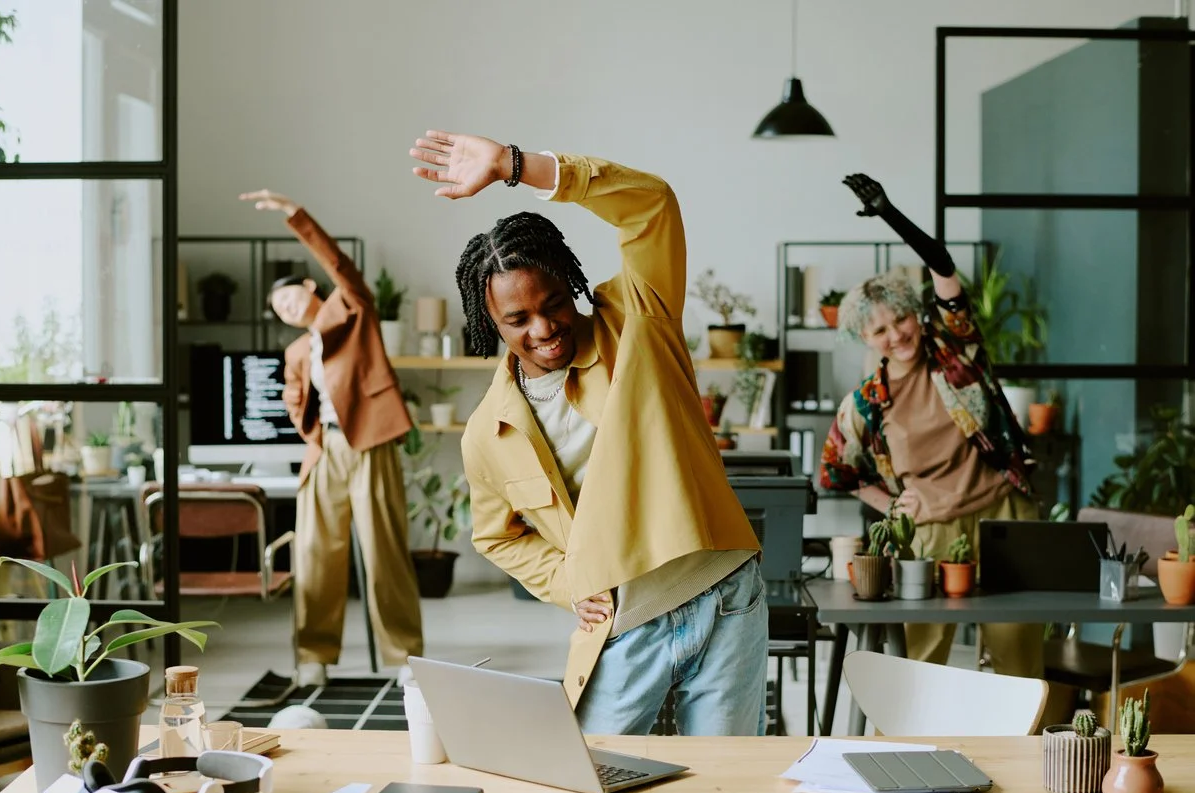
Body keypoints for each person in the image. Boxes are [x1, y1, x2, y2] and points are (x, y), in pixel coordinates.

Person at [408, 131, 768, 735]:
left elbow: (652, 205)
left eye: (553, 304)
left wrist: (517, 166)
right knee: (595, 786)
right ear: (489, 322)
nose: (545, 328)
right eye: (517, 320)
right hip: (623, 623)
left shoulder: (639, 320)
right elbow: (498, 538)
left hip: (724, 595)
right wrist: (571, 583)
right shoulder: (486, 435)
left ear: (571, 286)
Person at [820, 173, 1042, 677]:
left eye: (900, 320)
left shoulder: (957, 352)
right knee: (919, 664)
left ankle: (1025, 754)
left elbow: (941, 264)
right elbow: (837, 472)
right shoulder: (866, 403)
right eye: (879, 330)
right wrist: (892, 504)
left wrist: (889, 211)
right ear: (865, 338)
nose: (895, 334)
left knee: (1017, 658)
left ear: (916, 316)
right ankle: (903, 752)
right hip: (929, 532)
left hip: (1003, 516)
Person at [239, 189, 424, 687]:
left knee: (385, 552)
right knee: (315, 554)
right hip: (325, 452)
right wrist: (311, 430)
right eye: (277, 308)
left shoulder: (351, 308)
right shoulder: (297, 351)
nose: (286, 307)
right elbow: (295, 399)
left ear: (308, 284)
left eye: (289, 296)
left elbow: (339, 262)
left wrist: (295, 216)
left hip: (370, 441)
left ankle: (405, 658)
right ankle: (312, 657)